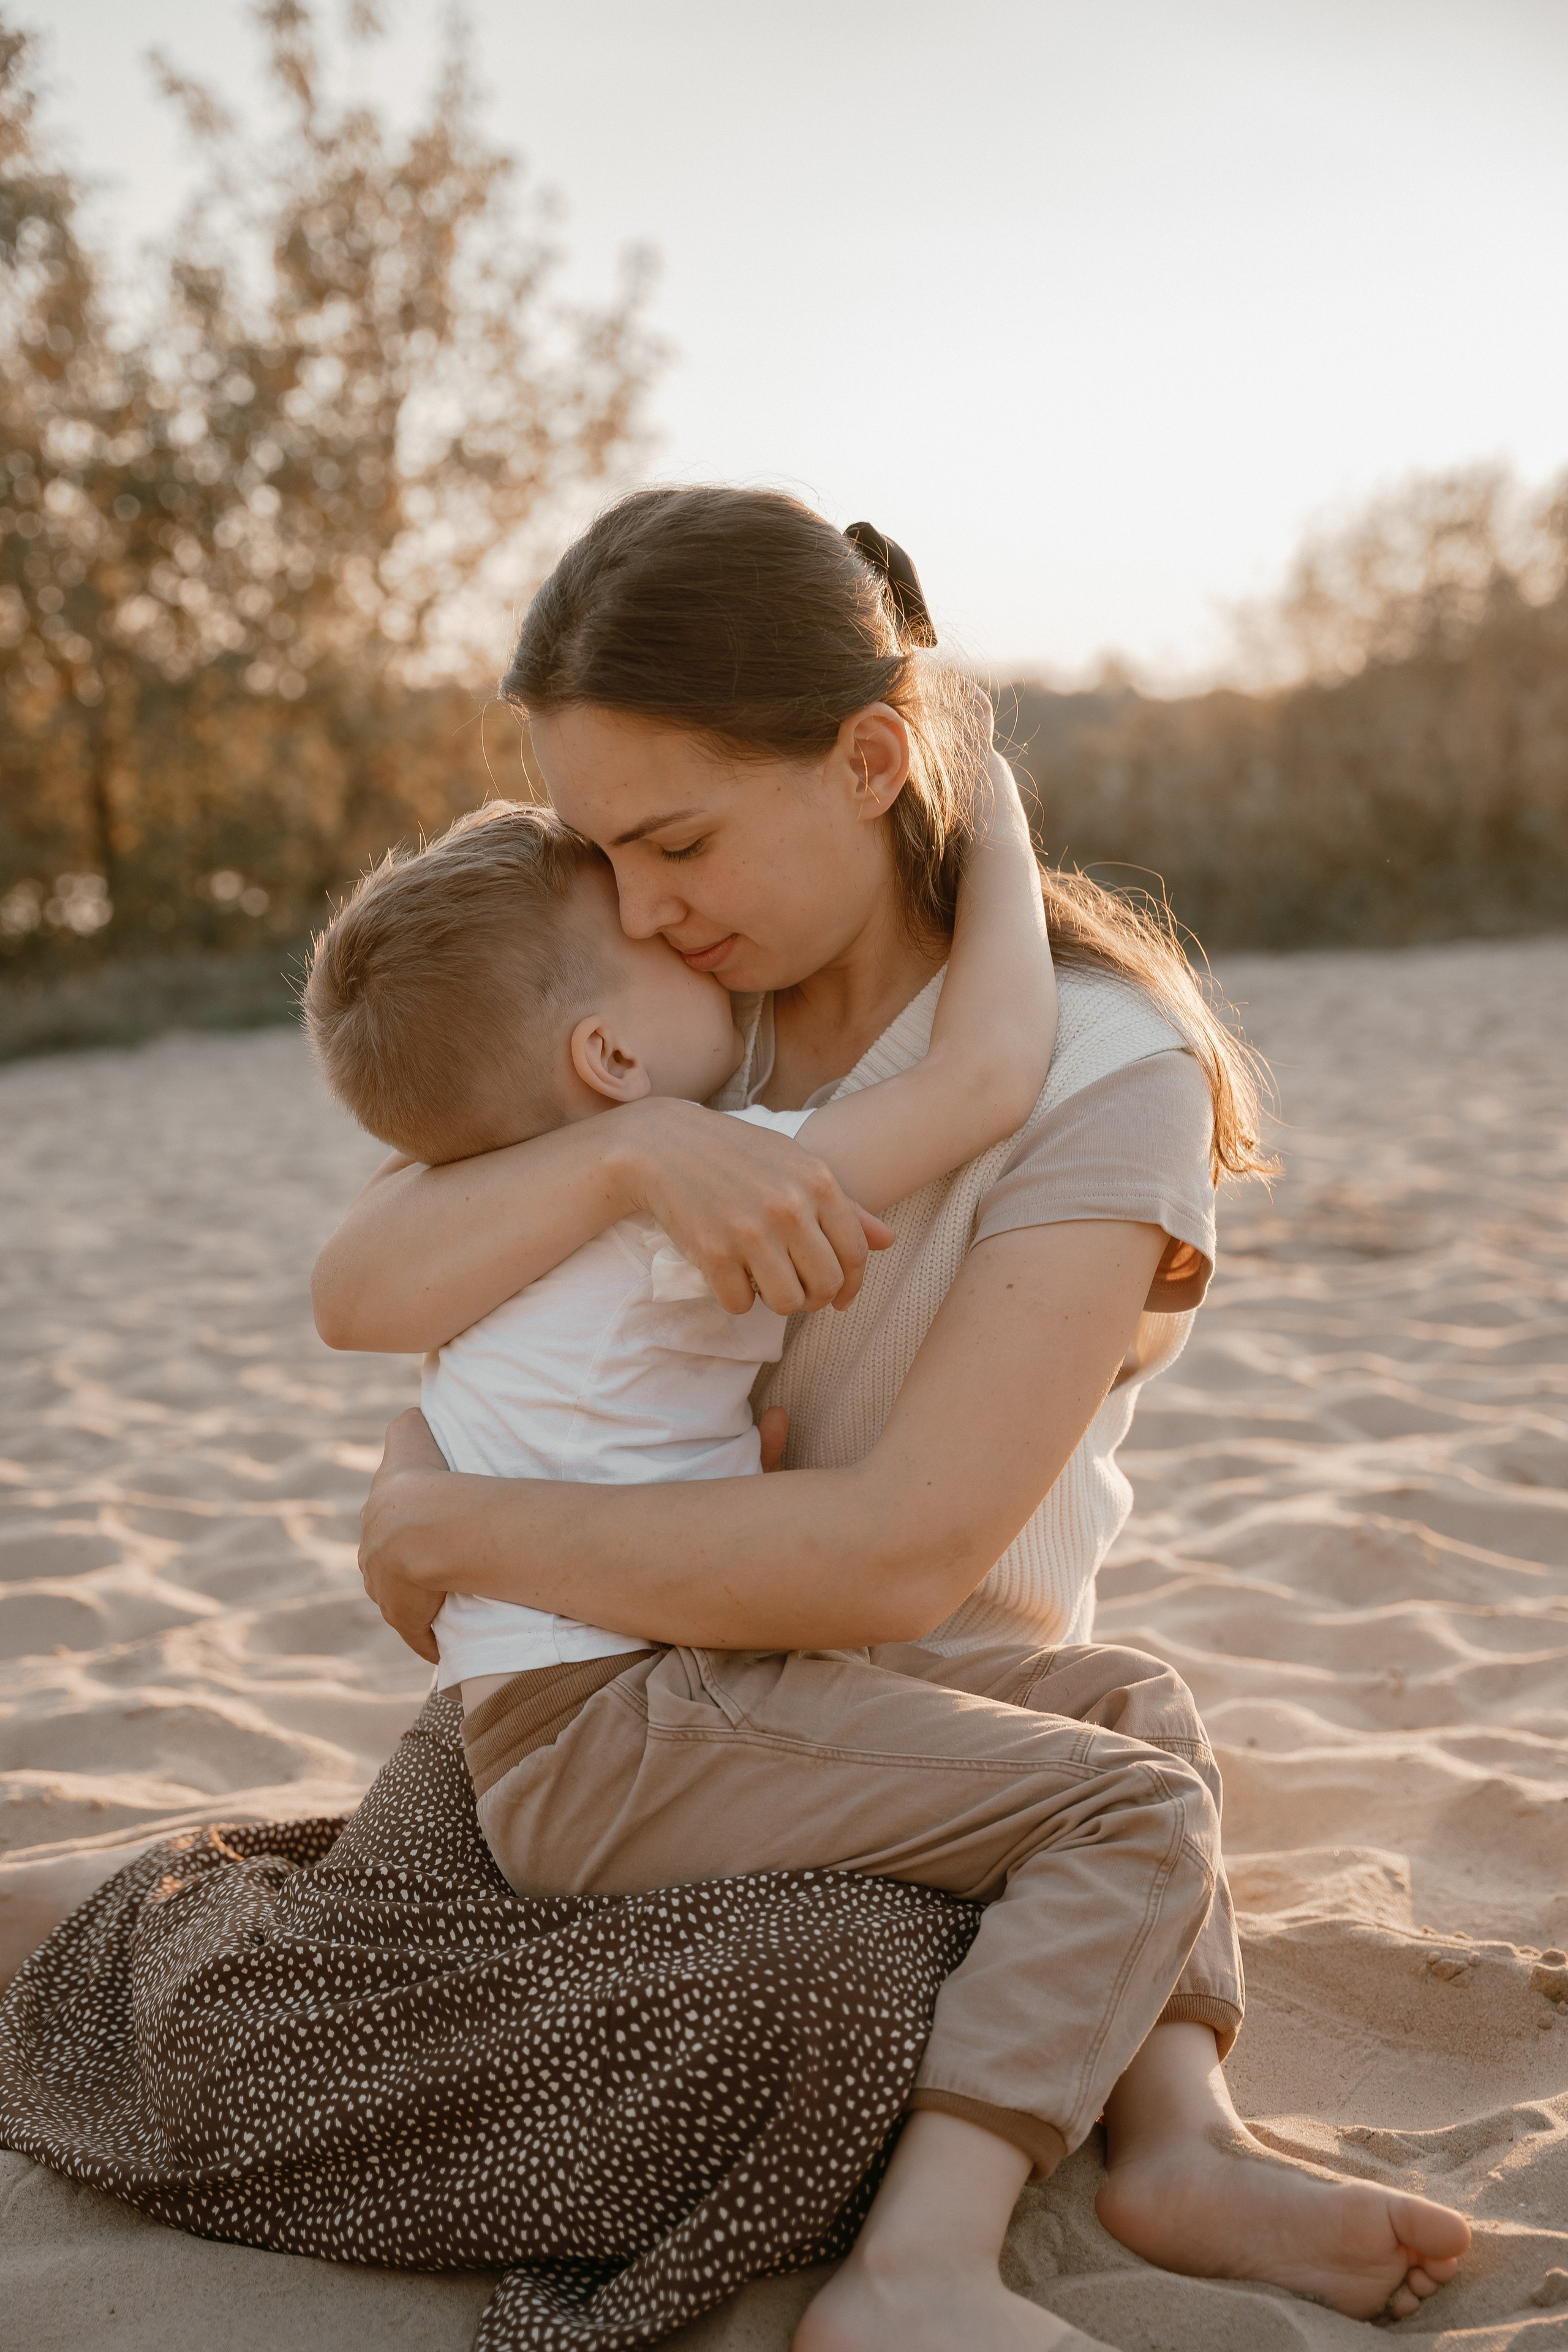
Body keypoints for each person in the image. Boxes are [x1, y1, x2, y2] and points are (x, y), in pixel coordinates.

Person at [326, 488, 1471, 2349]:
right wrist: (629, 1150)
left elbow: (903, 1554)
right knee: (809, 1970)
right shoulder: (673, 1033)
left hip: (900, 1693)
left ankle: (1177, 2140)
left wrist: (447, 1529)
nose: (639, 905)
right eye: (606, 853)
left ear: (872, 759)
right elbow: (366, 1278)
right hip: (659, 1714)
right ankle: (1020, 2204)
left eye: (676, 839)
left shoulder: (1100, 1076)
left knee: (1119, 1756)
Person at [300, 749, 1057, 1763]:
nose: (668, 923)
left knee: (1128, 1709)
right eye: (640, 932)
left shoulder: (505, 1193)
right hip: (626, 1707)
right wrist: (996, 813)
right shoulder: (694, 1185)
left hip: (557, 1694)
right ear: (611, 1059)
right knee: (1124, 1798)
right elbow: (985, 1077)